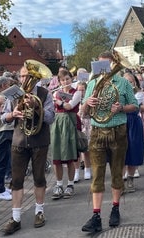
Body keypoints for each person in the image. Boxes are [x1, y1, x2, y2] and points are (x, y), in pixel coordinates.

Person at [80, 51, 138, 233]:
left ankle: (115, 208)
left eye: (107, 64)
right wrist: (88, 102)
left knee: (116, 173)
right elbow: (83, 112)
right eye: (100, 64)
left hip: (118, 131)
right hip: (98, 131)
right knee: (97, 175)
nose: (103, 68)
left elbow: (135, 105)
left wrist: (121, 107)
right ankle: (96, 214)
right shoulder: (92, 84)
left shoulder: (123, 83)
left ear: (114, 64)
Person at [2, 63, 55, 235]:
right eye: (23, 76)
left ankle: (39, 211)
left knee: (39, 177)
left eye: (28, 76)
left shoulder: (44, 94)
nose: (24, 79)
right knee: (16, 180)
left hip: (39, 141)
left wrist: (37, 106)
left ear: (36, 78)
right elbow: (4, 117)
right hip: (19, 141)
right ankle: (15, 217)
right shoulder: (14, 93)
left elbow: (51, 118)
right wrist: (13, 114)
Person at [50, 69, 82, 199]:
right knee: (57, 156)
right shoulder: (57, 92)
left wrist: (57, 101)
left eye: (67, 79)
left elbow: (70, 106)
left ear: (72, 79)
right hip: (58, 123)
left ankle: (70, 184)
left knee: (70, 156)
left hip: (70, 122)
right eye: (62, 80)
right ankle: (58, 184)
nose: (65, 82)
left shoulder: (77, 92)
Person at [122, 72, 144, 194]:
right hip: (121, 122)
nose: (129, 84)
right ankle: (120, 180)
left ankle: (130, 179)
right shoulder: (118, 93)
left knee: (133, 151)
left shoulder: (139, 94)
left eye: (131, 82)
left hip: (133, 123)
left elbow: (134, 106)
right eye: (126, 82)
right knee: (120, 152)